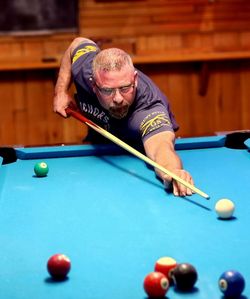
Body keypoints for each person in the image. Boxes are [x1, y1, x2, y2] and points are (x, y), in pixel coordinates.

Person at [53, 37, 194, 197]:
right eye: (107, 91)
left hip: (135, 149)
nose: (118, 98)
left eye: (125, 88)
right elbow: (76, 44)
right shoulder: (85, 69)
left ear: (134, 79)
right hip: (100, 143)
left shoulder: (149, 106)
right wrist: (60, 91)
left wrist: (173, 171)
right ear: (94, 85)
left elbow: (161, 146)